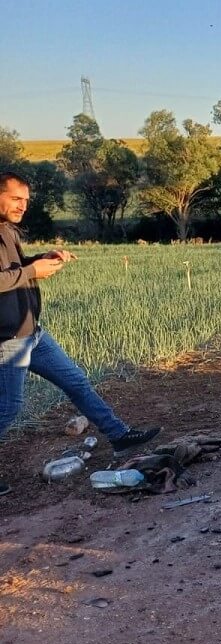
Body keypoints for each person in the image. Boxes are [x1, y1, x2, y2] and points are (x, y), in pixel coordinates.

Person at [0, 170, 160, 495]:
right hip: (8, 338)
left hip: (32, 331)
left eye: (26, 201)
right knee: (8, 407)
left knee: (76, 381)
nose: (23, 206)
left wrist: (40, 259)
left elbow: (11, 270)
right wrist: (32, 271)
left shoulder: (7, 230)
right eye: (16, 199)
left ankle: (118, 435)